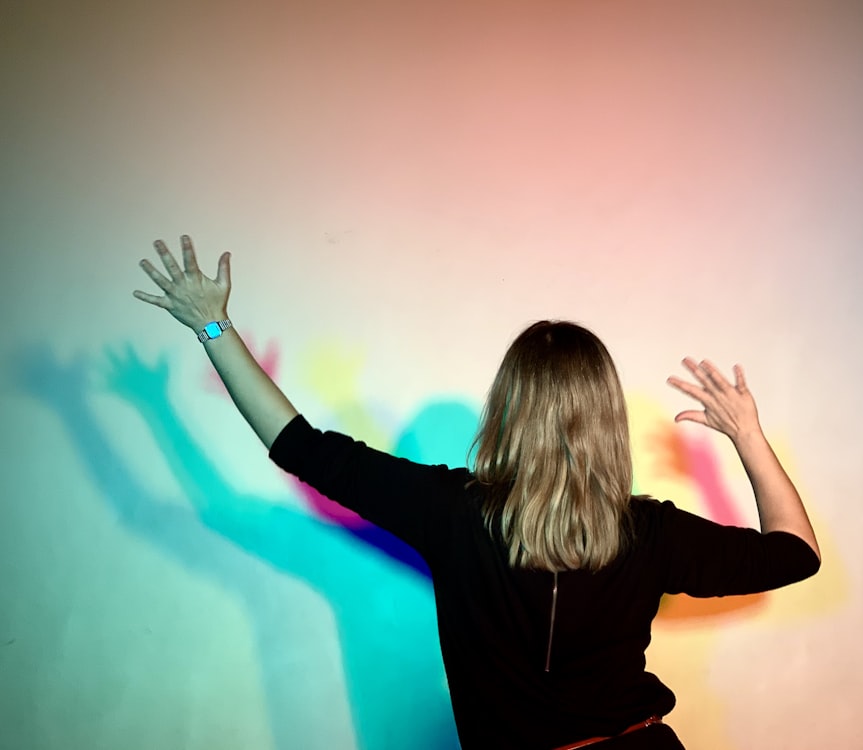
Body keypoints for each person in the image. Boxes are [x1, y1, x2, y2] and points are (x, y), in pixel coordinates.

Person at [134, 236, 821, 750]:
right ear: (606, 416)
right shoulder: (650, 531)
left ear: (507, 410)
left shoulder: (454, 512)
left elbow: (301, 448)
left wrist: (214, 329)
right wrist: (744, 436)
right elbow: (795, 555)